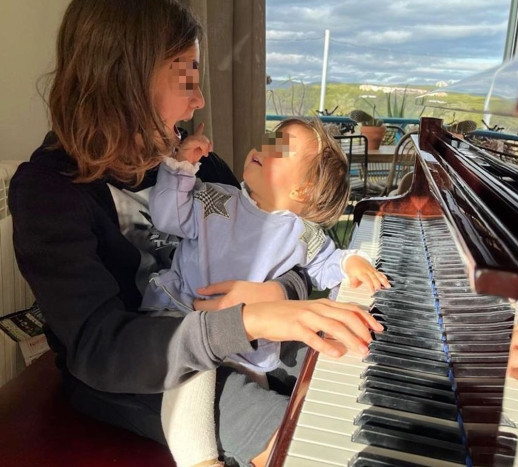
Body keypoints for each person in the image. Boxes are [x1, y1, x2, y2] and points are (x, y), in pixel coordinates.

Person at [7, 2, 383, 467]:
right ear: (125, 78)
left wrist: (277, 290)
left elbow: (274, 245)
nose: (199, 98)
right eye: (184, 76)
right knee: (297, 437)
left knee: (339, 379)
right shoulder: (49, 190)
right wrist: (249, 320)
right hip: (142, 372)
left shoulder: (191, 158)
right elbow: (98, 346)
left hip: (231, 341)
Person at [142, 117, 390, 466]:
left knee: (312, 371)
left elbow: (328, 264)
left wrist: (352, 263)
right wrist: (181, 166)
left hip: (250, 344)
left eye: (281, 149)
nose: (264, 148)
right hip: (187, 318)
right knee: (189, 376)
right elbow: (167, 216)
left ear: (301, 190)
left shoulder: (301, 233)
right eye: (270, 141)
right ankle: (199, 459)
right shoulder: (216, 199)